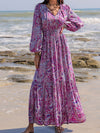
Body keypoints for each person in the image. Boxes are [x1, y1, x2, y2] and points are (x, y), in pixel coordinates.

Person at [22, 0, 86, 133]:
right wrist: (36, 52)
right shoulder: (40, 8)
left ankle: (58, 122)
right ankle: (30, 125)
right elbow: (36, 29)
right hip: (46, 48)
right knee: (38, 83)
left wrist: (65, 24)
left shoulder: (65, 8)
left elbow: (79, 23)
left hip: (61, 49)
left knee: (61, 83)